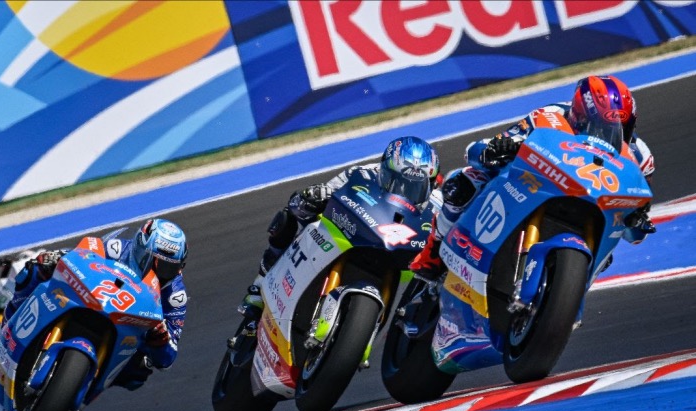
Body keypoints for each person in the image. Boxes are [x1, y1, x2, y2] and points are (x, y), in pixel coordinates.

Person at [410, 75, 657, 281]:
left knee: (606, 256)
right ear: (579, 115)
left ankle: (559, 297)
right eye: (599, 125)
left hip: (590, 213)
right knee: (464, 182)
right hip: (537, 188)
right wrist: (497, 149)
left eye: (619, 127)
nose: (607, 134)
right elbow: (482, 150)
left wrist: (637, 217)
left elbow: (635, 234)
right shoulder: (549, 116)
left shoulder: (639, 158)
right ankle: (434, 250)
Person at [239, 136, 442, 320]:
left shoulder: (437, 202)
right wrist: (314, 195)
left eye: (417, 186)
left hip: (400, 251)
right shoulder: (361, 174)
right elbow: (322, 194)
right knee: (289, 215)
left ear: (431, 184)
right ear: (384, 170)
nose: (405, 190)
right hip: (354, 234)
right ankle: (259, 285)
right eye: (398, 181)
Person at [0, 218, 188, 391]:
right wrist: (56, 257)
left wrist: (161, 340)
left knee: (141, 370)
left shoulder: (175, 295)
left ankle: (78, 388)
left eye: (172, 268)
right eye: (159, 265)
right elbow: (80, 254)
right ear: (141, 249)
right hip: (91, 300)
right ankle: (2, 336)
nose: (164, 274)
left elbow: (168, 359)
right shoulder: (117, 249)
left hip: (127, 332)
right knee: (34, 270)